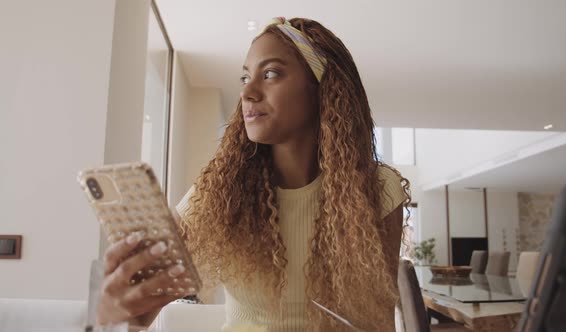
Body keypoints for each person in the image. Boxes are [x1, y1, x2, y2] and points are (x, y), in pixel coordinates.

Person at [97, 17, 411, 331]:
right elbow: (137, 314)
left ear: (321, 88)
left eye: (271, 73)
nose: (247, 91)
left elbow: (377, 321)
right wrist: (114, 308)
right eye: (245, 77)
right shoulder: (219, 192)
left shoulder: (378, 189)